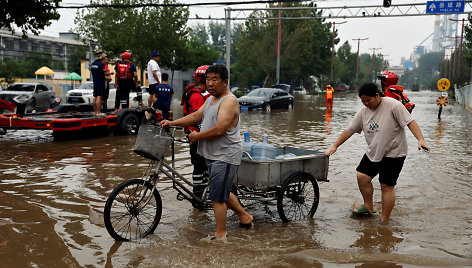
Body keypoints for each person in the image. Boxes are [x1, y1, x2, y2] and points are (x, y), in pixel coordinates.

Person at [160, 64, 253, 241]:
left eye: (214, 80)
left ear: (225, 82)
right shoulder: (211, 99)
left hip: (225, 155)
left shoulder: (229, 101)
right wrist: (171, 123)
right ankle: (245, 217)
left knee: (217, 197)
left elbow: (219, 129)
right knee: (222, 191)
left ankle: (220, 235)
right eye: (207, 80)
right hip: (213, 154)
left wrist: (197, 136)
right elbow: (195, 116)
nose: (209, 83)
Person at [325, 82, 430, 221]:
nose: (366, 103)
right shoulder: (363, 112)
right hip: (374, 151)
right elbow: (349, 130)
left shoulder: (393, 105)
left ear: (377, 95)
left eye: (368, 100)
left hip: (394, 152)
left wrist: (420, 139)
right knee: (362, 176)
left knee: (386, 185)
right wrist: (335, 146)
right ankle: (369, 206)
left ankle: (384, 220)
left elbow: (410, 122)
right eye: (363, 101)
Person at [181, 65, 210, 200]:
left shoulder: (195, 92)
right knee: (200, 167)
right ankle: (198, 196)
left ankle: (203, 194)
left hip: (198, 136)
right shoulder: (198, 96)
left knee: (203, 167)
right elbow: (198, 118)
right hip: (197, 137)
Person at [91, 52, 110, 116]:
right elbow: (106, 73)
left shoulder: (93, 64)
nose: (106, 61)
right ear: (102, 58)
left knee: (95, 96)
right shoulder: (101, 65)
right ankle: (98, 112)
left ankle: (95, 111)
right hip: (100, 82)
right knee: (99, 97)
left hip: (95, 82)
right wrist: (110, 73)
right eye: (105, 59)